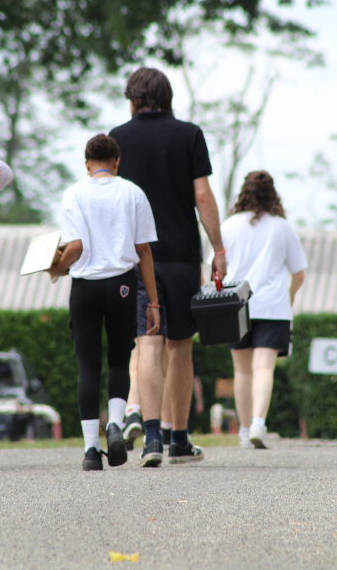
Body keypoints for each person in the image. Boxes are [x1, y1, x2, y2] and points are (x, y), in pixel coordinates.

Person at [110, 67, 226, 467]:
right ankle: (180, 439)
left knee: (147, 343)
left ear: (134, 98)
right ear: (167, 96)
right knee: (180, 347)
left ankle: (152, 438)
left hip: (134, 257)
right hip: (180, 256)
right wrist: (219, 248)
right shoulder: (189, 134)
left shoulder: (117, 139)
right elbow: (203, 196)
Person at [50, 134, 160, 471]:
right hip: (122, 286)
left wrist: (56, 267)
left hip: (84, 287)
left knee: (88, 364)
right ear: (116, 161)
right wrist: (153, 302)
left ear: (86, 164)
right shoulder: (133, 192)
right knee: (117, 359)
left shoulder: (74, 193)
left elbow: (76, 246)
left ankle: (90, 451)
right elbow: (144, 251)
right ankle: (115, 423)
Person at [221, 171, 306, 449]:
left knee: (242, 371)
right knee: (264, 367)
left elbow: (213, 268)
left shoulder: (230, 225)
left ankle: (244, 432)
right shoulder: (282, 227)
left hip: (236, 305)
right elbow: (299, 273)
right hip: (273, 305)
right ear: (273, 194)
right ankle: (259, 423)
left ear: (243, 193)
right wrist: (288, 298)